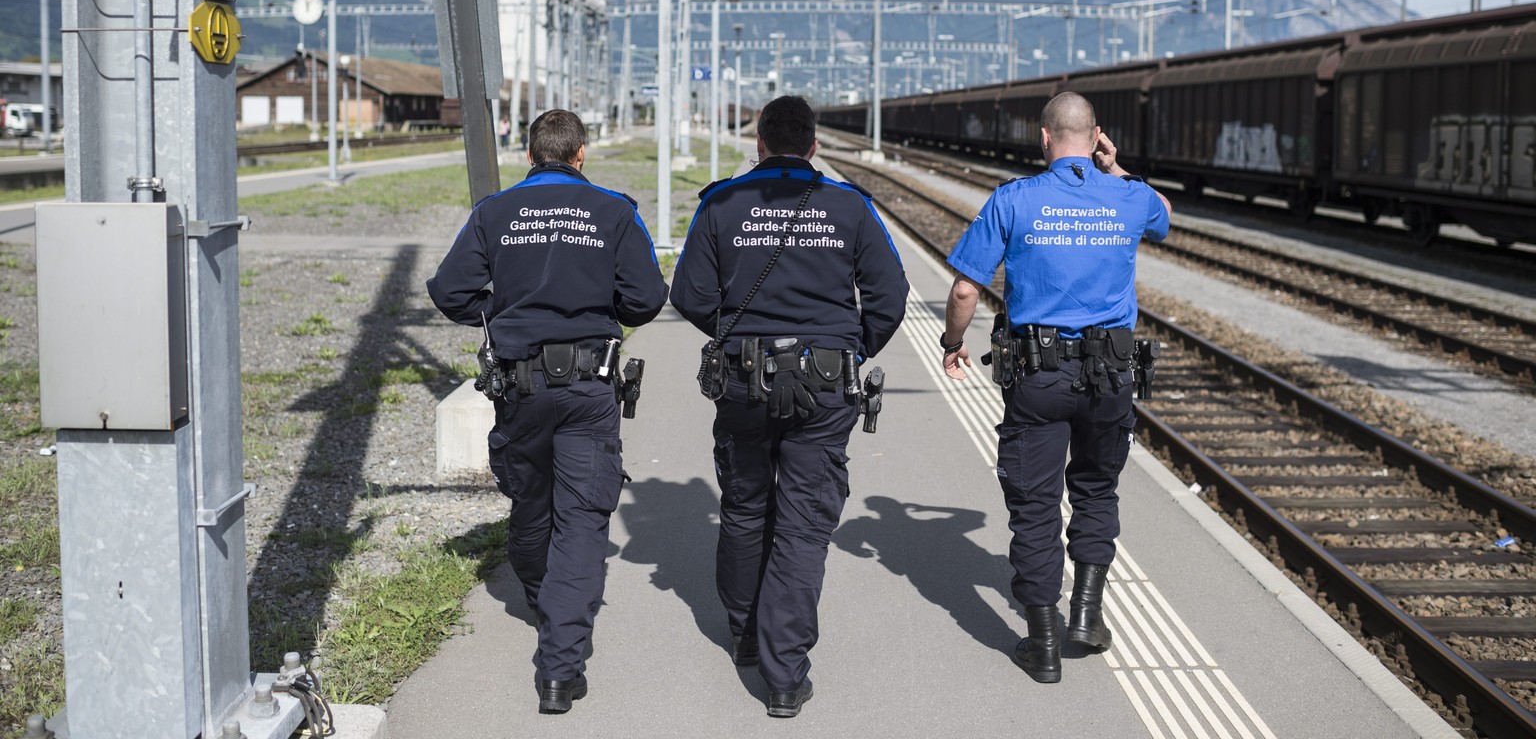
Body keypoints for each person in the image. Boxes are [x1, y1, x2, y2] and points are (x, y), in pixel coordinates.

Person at [671, 95, 909, 718]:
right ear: (814, 145)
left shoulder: (720, 203)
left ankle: (745, 633)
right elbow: (890, 292)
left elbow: (689, 293)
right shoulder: (850, 205)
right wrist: (849, 347)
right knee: (804, 523)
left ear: (759, 142)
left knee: (747, 505)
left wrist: (731, 336)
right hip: (827, 386)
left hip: (743, 380)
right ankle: (785, 677)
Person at [426, 108, 669, 714]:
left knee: (531, 504)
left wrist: (500, 305)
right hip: (589, 388)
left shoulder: (495, 212)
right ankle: (560, 670)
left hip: (519, 386)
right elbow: (645, 300)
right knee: (583, 518)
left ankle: (544, 600)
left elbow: (449, 291)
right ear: (581, 154)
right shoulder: (615, 210)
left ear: (529, 156)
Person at [939, 91, 1171, 684]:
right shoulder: (1126, 195)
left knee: (1035, 506)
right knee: (1096, 492)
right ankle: (1087, 617)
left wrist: (952, 343)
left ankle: (1041, 645)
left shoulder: (1014, 199)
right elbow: (1164, 214)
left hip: (1038, 378)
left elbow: (966, 289)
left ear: (1044, 138)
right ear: (1095, 138)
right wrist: (1115, 168)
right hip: (1111, 377)